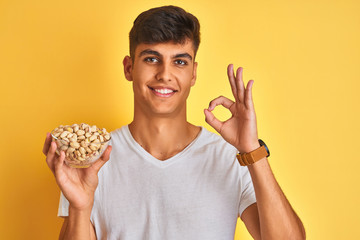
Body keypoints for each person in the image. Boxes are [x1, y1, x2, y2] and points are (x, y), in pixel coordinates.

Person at [43, 5, 305, 240]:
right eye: (151, 59)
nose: (165, 74)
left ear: (193, 73)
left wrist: (252, 152)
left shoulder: (229, 157)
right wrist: (79, 208)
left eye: (179, 61)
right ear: (129, 68)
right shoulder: (93, 160)